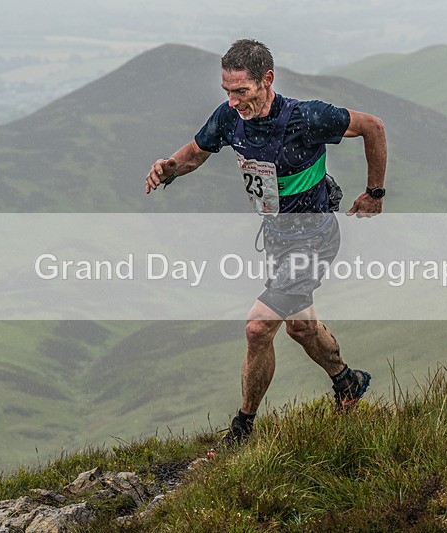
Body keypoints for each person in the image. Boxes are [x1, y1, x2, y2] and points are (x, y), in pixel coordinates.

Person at [145, 39, 387, 444]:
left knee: (258, 327)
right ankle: (347, 382)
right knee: (300, 327)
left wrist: (374, 194)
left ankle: (242, 427)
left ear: (266, 80)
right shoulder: (229, 118)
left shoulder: (307, 117)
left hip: (314, 237)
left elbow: (373, 127)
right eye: (227, 91)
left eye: (241, 91)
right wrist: (169, 168)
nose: (233, 100)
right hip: (277, 239)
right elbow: (195, 152)